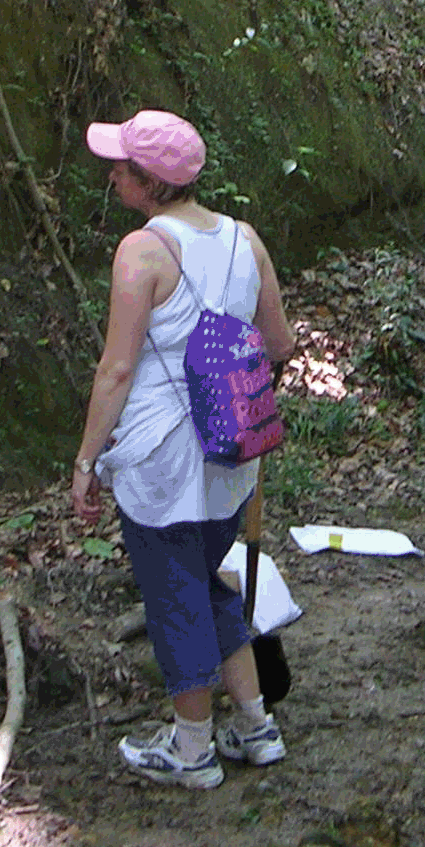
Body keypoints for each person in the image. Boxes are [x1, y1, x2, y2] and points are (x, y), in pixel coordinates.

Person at [70, 109, 297, 790]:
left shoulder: (143, 252)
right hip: (233, 447)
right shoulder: (244, 239)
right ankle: (256, 728)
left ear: (147, 183)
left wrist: (85, 462)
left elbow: (116, 369)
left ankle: (192, 749)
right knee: (209, 580)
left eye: (119, 167)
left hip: (162, 459)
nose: (110, 174)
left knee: (174, 595)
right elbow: (279, 345)